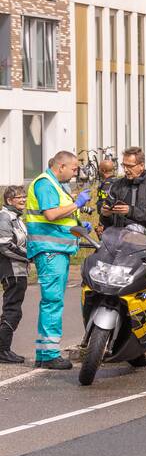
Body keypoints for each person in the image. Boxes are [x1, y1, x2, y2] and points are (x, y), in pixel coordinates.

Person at [25, 151, 91, 370]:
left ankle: (45, 353)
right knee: (53, 301)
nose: (75, 173)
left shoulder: (56, 185)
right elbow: (51, 215)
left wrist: (78, 226)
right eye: (73, 169)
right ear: (61, 166)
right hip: (50, 250)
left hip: (55, 250)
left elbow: (59, 219)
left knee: (52, 301)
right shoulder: (45, 183)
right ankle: (49, 355)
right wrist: (77, 204)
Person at [100, 146, 146, 234]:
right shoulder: (116, 185)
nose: (125, 170)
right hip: (119, 238)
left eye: (129, 166)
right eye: (124, 165)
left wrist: (130, 211)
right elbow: (107, 222)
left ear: (141, 166)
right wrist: (105, 215)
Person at [0, 186, 29, 363]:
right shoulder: (5, 217)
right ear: (9, 200)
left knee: (13, 310)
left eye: (24, 196)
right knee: (12, 310)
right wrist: (29, 255)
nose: (23, 200)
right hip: (12, 271)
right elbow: (4, 245)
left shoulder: (16, 218)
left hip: (19, 270)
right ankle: (3, 350)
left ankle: (3, 348)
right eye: (19, 197)